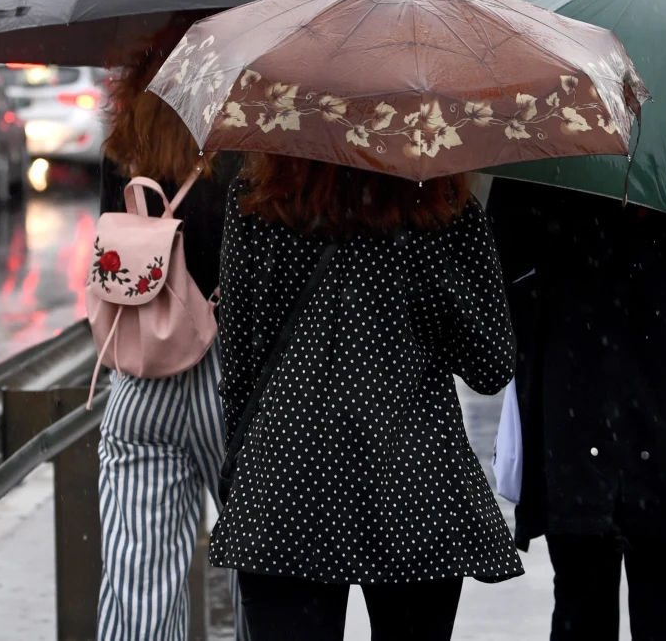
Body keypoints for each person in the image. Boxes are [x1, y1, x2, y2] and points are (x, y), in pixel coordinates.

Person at [213, 155, 524, 641]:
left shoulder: (260, 195)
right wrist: (429, 256)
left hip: (285, 480)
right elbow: (491, 365)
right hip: (414, 485)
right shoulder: (441, 204)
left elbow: (236, 365)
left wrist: (244, 474)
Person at [485, 179, 666, 641]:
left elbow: (502, 276)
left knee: (580, 607)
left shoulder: (544, 153)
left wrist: (562, 334)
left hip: (575, 421)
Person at [96, 16, 244, 640]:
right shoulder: (247, 139)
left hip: (141, 377)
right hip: (233, 382)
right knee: (261, 583)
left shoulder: (126, 143)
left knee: (138, 591)